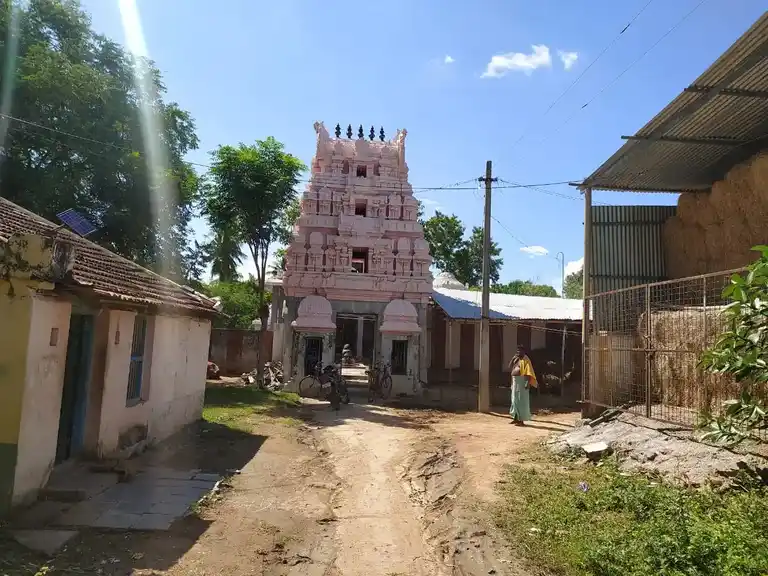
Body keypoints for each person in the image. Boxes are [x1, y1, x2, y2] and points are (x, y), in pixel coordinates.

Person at [508, 345, 537, 425]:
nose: (518, 352)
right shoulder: (516, 359)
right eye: (517, 351)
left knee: (521, 401)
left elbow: (528, 372)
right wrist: (513, 359)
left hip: (522, 381)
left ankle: (521, 420)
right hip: (515, 381)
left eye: (520, 351)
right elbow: (510, 367)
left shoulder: (526, 360)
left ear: (524, 352)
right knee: (514, 400)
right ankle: (515, 418)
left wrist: (527, 382)